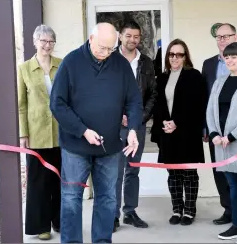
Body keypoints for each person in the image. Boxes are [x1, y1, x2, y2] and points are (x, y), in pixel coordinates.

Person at [50, 22, 143, 243]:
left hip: (109, 147)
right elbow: (57, 104)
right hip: (75, 147)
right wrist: (82, 131)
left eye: (111, 48)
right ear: (91, 38)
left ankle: (102, 240)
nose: (106, 53)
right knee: (72, 198)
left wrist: (132, 130)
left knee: (108, 199)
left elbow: (134, 101)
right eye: (102, 47)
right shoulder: (71, 62)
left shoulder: (120, 64)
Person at [150, 39, 207, 226]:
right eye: (171, 54)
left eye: (179, 54)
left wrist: (177, 123)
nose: (175, 58)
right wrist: (165, 122)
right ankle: (177, 209)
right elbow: (157, 105)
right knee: (173, 174)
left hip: (187, 133)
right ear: (167, 56)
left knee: (189, 174)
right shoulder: (162, 78)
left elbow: (197, 106)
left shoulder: (194, 76)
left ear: (185, 56)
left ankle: (189, 211)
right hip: (168, 134)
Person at [201, 23, 237, 225]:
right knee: (222, 174)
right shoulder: (209, 64)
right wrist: (209, 131)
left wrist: (232, 135)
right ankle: (229, 210)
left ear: (235, 37)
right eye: (219, 37)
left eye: (226, 36)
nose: (222, 40)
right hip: (217, 133)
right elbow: (207, 101)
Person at [17, 24, 62, 240]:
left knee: (60, 180)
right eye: (43, 41)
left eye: (51, 41)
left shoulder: (61, 65)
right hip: (36, 134)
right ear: (35, 42)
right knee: (38, 182)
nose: (47, 45)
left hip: (61, 133)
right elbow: (21, 104)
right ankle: (41, 226)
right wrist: (23, 134)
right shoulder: (24, 68)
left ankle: (60, 221)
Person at [114, 20, 157, 232]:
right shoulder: (109, 59)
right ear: (120, 36)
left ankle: (129, 212)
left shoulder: (147, 62)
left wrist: (139, 118)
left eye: (136, 36)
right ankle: (112, 215)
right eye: (128, 35)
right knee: (114, 171)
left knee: (133, 170)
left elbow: (153, 95)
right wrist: (117, 116)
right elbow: (101, 92)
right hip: (113, 127)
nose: (133, 40)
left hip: (137, 126)